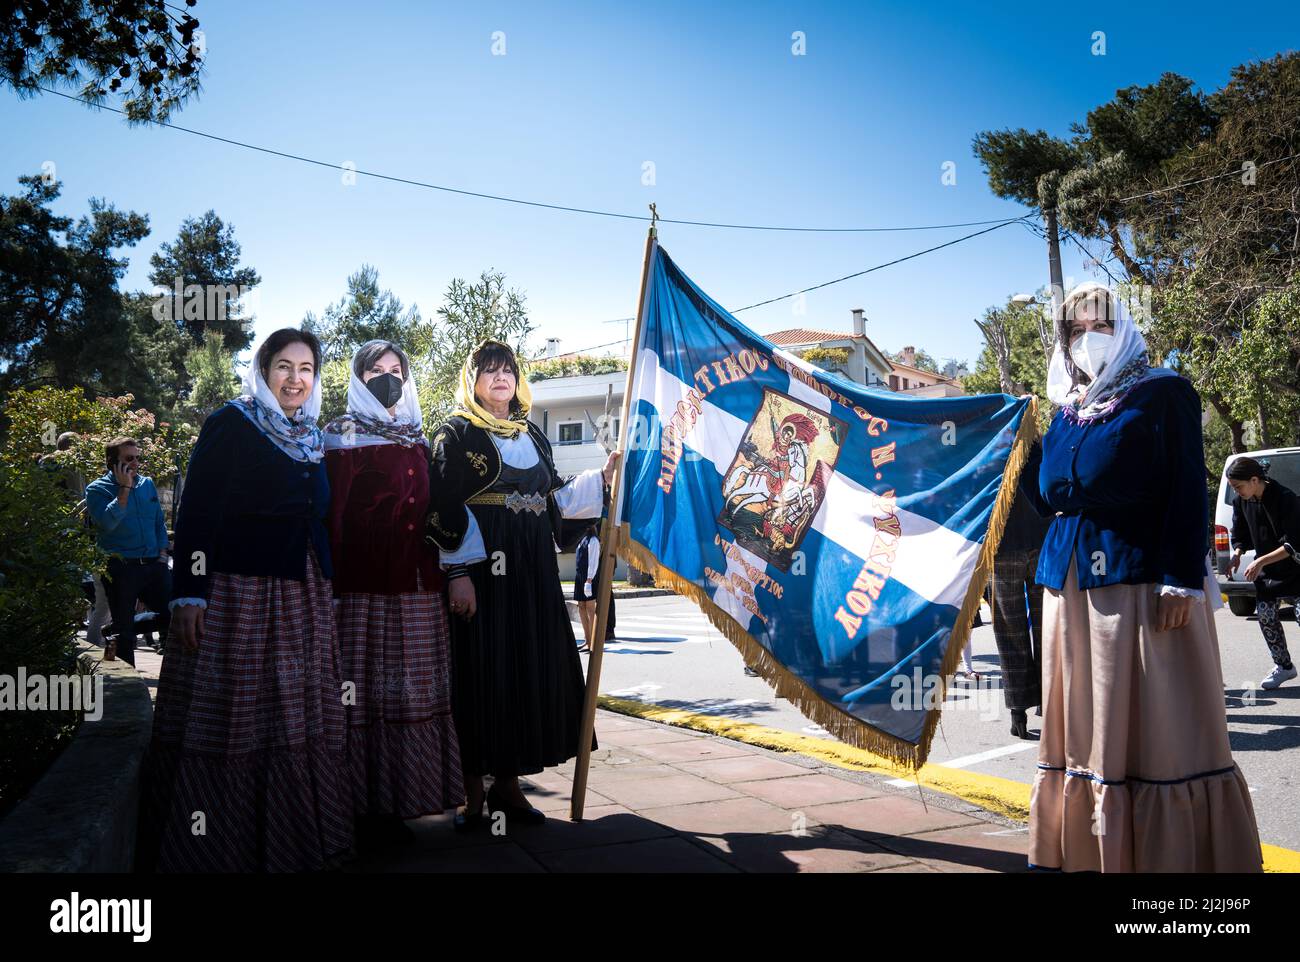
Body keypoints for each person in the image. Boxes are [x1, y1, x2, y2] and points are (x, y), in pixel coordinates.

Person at [1021, 281, 1261, 873]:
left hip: (1140, 585)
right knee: (1083, 731)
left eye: (1096, 325)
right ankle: (1089, 856)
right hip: (1068, 590)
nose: (1085, 339)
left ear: (1122, 326)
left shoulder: (1162, 392)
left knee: (1157, 731)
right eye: (1074, 331)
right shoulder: (1066, 412)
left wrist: (1180, 575)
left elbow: (1187, 483)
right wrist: (1021, 448)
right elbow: (1047, 497)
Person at [143, 328, 352, 872]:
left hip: (302, 592)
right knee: (239, 711)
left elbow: (319, 517)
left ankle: (290, 833)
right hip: (242, 592)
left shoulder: (309, 436)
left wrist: (326, 585)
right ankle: (220, 844)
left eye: (306, 369)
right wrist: (189, 592)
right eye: (284, 366)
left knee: (296, 715)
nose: (295, 378)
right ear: (263, 370)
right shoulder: (231, 423)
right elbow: (197, 512)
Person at [426, 340, 615, 830]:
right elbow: (443, 506)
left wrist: (601, 479)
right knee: (480, 674)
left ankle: (508, 791)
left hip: (532, 574)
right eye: (488, 371)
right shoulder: (456, 434)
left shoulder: (535, 435)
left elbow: (553, 501)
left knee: (522, 672)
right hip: (484, 574)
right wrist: (458, 574)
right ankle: (471, 797)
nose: (500, 377)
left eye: (507, 369)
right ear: (473, 381)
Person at [323, 340, 466, 846]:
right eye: (376, 370)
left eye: (396, 370)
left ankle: (402, 799)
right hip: (363, 592)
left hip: (417, 587)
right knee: (361, 700)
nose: (388, 378)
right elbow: (332, 518)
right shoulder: (341, 436)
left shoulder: (417, 438)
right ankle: (359, 807)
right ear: (358, 378)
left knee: (411, 696)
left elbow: (435, 512)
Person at [84, 436, 172, 666]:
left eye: (137, 458)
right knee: (125, 638)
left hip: (153, 564)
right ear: (113, 462)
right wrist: (123, 489)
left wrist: (163, 554)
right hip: (121, 567)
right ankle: (128, 689)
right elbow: (107, 523)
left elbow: (158, 522)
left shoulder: (147, 484)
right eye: (129, 458)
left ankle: (114, 628)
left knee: (173, 613)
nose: (135, 463)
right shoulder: (96, 489)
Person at [1227, 455, 1300, 690]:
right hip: (1268, 573)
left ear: (1255, 479)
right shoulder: (1242, 502)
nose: (1237, 492)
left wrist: (1260, 561)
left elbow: (1293, 543)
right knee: (1266, 616)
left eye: (1239, 487)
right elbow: (1240, 533)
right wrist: (1237, 553)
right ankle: (1284, 666)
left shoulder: (1286, 498)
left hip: (1295, 569)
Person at [991, 489, 1050, 739]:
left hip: (1002, 541)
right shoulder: (1039, 447)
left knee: (1009, 632)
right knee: (1048, 630)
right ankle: (1049, 702)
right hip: (1042, 536)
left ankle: (1018, 712)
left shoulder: (990, 450)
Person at [574, 525, 600, 651]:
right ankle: (587, 640)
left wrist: (589, 579)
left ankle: (593, 642)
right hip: (579, 576)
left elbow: (594, 561)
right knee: (581, 607)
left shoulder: (593, 540)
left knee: (590, 609)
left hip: (589, 577)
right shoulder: (581, 539)